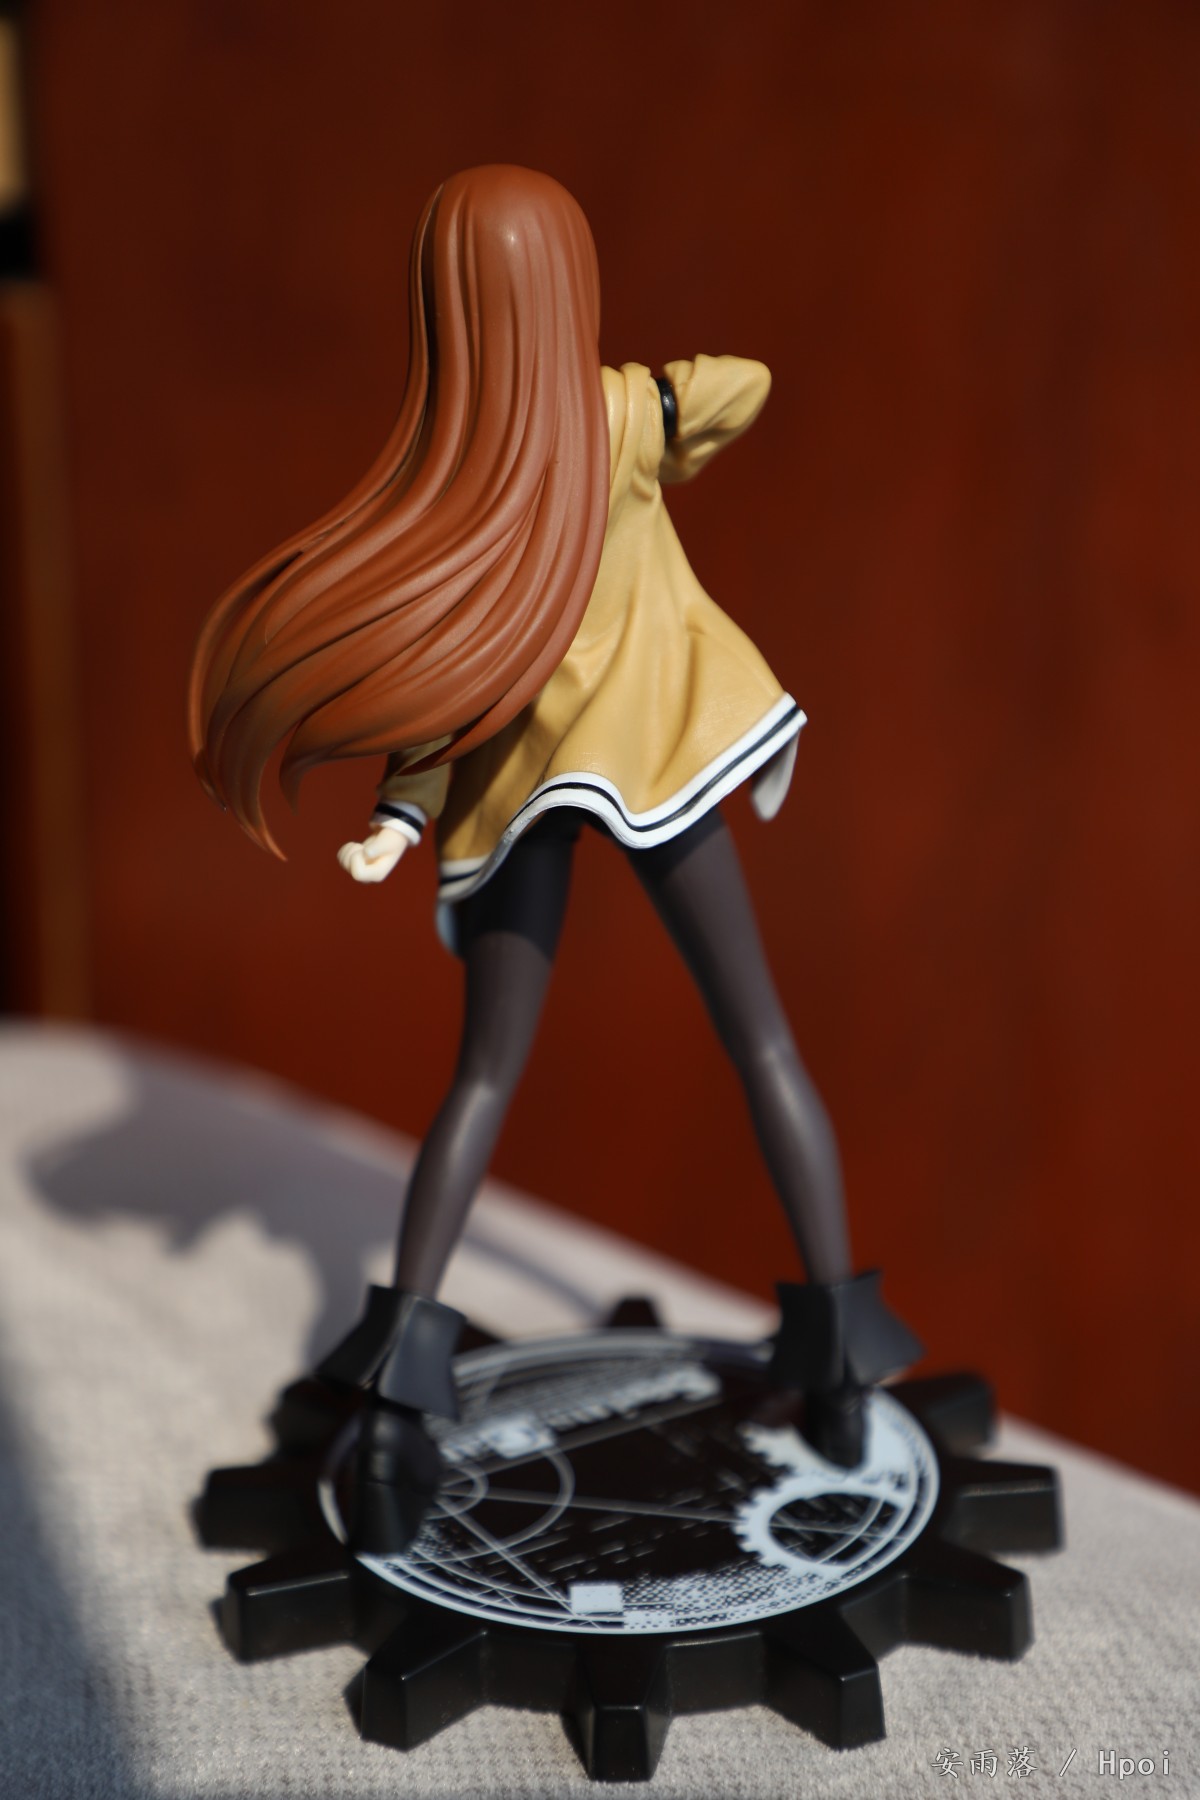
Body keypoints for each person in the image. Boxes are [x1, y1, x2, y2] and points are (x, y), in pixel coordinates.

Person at [188, 165, 920, 1556]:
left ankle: (393, 1410)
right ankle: (839, 1362)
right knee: (760, 1038)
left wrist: (401, 820)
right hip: (657, 768)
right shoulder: (624, 419)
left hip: (519, 798)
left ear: (448, 309)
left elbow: (436, 682)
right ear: (566, 290)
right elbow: (747, 387)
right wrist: (645, 394)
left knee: (484, 1076)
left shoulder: (453, 481)